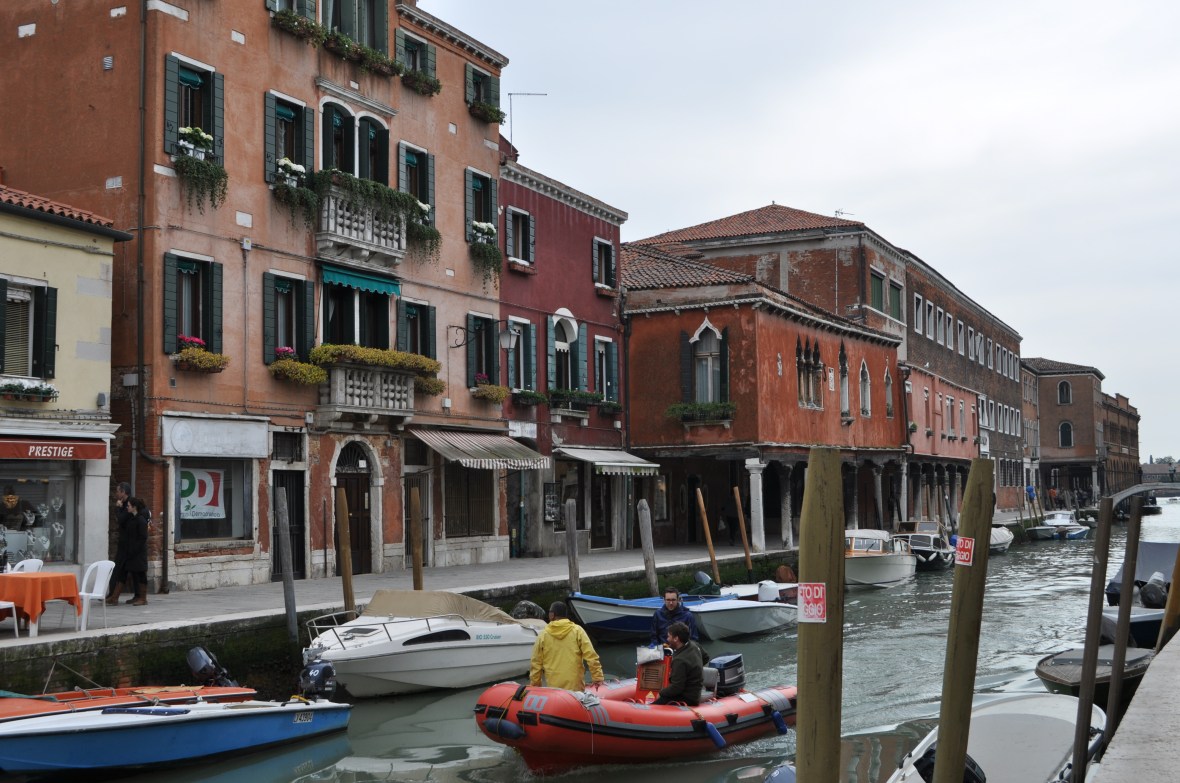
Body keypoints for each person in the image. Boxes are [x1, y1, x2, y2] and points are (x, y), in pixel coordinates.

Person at [529, 601, 604, 691]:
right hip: (576, 686)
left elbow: (536, 663)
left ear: (552, 615)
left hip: (554, 688)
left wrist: (535, 685)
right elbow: (591, 656)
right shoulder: (577, 630)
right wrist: (597, 678)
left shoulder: (543, 635)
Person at [653, 621, 705, 705]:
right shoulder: (694, 645)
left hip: (687, 698)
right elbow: (705, 657)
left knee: (656, 704)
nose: (667, 639)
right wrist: (694, 670)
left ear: (676, 638)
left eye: (669, 636)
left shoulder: (680, 660)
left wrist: (661, 693)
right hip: (695, 693)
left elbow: (677, 688)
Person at [106, 482, 133, 605]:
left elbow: (121, 519)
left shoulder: (129, 504)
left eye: (118, 491)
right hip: (124, 541)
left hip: (128, 542)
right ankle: (113, 595)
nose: (116, 494)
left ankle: (114, 595)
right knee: (120, 569)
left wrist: (117, 508)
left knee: (121, 569)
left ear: (123, 492)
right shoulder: (125, 504)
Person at [124, 497, 150, 606]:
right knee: (134, 573)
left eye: (129, 506)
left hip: (139, 552)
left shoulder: (141, 520)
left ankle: (143, 598)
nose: (127, 507)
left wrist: (135, 549)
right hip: (132, 551)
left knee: (140, 574)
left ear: (134, 507)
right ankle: (137, 595)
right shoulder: (132, 519)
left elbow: (143, 537)